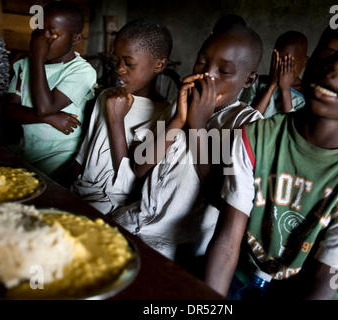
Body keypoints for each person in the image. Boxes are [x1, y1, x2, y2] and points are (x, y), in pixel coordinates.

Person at [204, 9, 338, 300]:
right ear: (310, 61)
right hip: (247, 277)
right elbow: (226, 244)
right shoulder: (255, 138)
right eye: (331, 49)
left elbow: (326, 280)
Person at [110, 25, 264, 262]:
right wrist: (178, 120)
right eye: (201, 63)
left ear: (249, 79)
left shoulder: (248, 124)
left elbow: (220, 195)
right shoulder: (178, 105)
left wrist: (197, 125)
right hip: (135, 222)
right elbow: (140, 167)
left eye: (223, 71)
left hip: (176, 245)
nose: (207, 76)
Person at [72, 19, 173, 214]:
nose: (119, 68)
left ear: (159, 65)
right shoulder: (106, 97)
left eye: (129, 63)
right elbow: (83, 155)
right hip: (78, 194)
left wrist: (116, 120)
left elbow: (130, 185)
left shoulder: (164, 116)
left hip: (113, 208)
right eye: (115, 60)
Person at [1, 1, 96, 181]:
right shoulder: (24, 65)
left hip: (58, 160)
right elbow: (9, 110)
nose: (40, 40)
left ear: (76, 39)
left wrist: (37, 56)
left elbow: (45, 107)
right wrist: (50, 118)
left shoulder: (82, 72)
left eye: (52, 34)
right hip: (25, 152)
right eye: (38, 31)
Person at [240, 31, 308, 118]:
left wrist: (285, 90)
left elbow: (290, 127)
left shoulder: (306, 96)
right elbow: (246, 120)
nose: (282, 67)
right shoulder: (257, 82)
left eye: (289, 63)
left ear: (305, 62)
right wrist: (271, 86)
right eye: (277, 60)